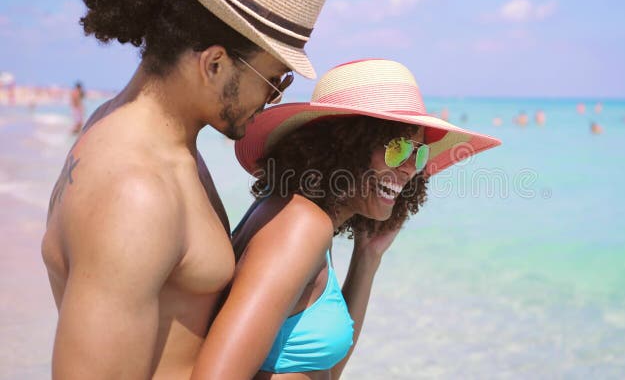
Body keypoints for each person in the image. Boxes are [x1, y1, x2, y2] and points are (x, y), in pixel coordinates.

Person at [40, 0, 329, 378]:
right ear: (214, 64)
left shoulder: (140, 133)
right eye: (274, 80)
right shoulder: (135, 192)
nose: (274, 99)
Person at [191, 59, 501, 379]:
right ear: (342, 144)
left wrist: (368, 257)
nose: (410, 167)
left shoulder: (292, 214)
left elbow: (323, 371)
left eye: (418, 153)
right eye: (398, 147)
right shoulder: (300, 225)